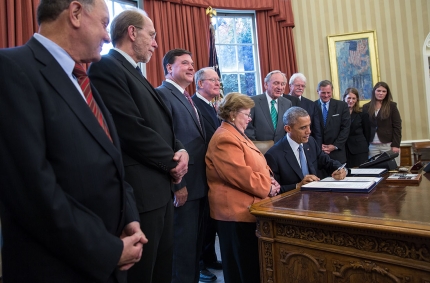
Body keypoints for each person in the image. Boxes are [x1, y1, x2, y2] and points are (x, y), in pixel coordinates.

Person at [0, 0, 147, 282]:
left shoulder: (81, 78)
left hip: (109, 259)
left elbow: (111, 160)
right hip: (59, 267)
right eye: (104, 24)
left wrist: (130, 217)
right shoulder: (12, 69)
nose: (107, 36)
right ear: (76, 13)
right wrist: (108, 250)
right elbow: (32, 191)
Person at [88, 9, 188, 283]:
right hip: (141, 194)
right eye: (151, 35)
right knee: (144, 274)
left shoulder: (134, 72)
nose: (156, 43)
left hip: (159, 189)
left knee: (161, 269)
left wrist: (181, 150)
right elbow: (130, 129)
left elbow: (161, 127)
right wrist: (172, 163)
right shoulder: (107, 67)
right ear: (132, 33)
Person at [206, 92, 280, 283]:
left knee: (250, 268)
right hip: (235, 215)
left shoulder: (238, 133)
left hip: (248, 209)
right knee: (241, 271)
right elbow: (241, 176)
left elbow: (258, 164)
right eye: (246, 114)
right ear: (232, 114)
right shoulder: (224, 137)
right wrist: (268, 187)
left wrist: (271, 180)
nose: (249, 119)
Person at [156, 48, 207, 283]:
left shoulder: (187, 97)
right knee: (182, 251)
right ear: (169, 68)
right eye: (185, 63)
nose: (191, 67)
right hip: (184, 185)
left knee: (194, 250)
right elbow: (167, 142)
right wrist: (179, 184)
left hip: (200, 185)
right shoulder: (163, 95)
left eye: (192, 63)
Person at [265, 107, 347, 193]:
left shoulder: (310, 142)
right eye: (303, 128)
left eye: (309, 126)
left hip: (315, 198)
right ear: (288, 129)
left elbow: (328, 162)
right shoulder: (273, 155)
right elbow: (274, 190)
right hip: (291, 203)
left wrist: (342, 170)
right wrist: (298, 186)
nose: (309, 131)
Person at [191, 67, 222, 282]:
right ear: (200, 84)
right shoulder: (193, 105)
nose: (218, 83)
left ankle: (210, 257)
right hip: (199, 171)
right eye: (213, 80)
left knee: (211, 220)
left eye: (218, 80)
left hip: (213, 171)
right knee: (200, 223)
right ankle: (200, 264)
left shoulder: (213, 106)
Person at [245, 70, 292, 143]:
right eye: (276, 83)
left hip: (281, 149)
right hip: (259, 150)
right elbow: (248, 128)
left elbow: (289, 128)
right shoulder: (252, 102)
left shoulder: (287, 103)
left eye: (283, 84)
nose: (280, 87)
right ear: (266, 85)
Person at [362, 82, 402, 165]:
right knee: (375, 170)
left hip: (388, 145)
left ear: (387, 93)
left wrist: (396, 145)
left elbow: (397, 126)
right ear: (374, 91)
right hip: (372, 146)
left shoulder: (392, 106)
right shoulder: (366, 107)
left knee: (392, 169)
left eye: (384, 91)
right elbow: (364, 127)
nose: (381, 93)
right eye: (379, 90)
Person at [315, 80, 350, 164]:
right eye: (323, 93)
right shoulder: (312, 106)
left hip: (337, 153)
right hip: (319, 153)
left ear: (332, 91)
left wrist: (335, 146)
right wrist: (318, 145)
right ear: (317, 91)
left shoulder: (342, 106)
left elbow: (345, 128)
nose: (326, 95)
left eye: (328, 92)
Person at [287, 73, 322, 146]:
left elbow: (316, 130)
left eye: (302, 86)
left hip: (307, 144)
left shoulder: (311, 104)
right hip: (287, 144)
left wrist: (317, 148)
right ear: (290, 86)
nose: (300, 88)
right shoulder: (283, 102)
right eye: (297, 85)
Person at [342, 88, 371, 167]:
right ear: (344, 98)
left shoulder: (362, 113)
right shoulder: (340, 113)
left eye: (353, 98)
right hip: (344, 150)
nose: (351, 101)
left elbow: (367, 132)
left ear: (357, 100)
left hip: (359, 150)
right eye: (349, 98)